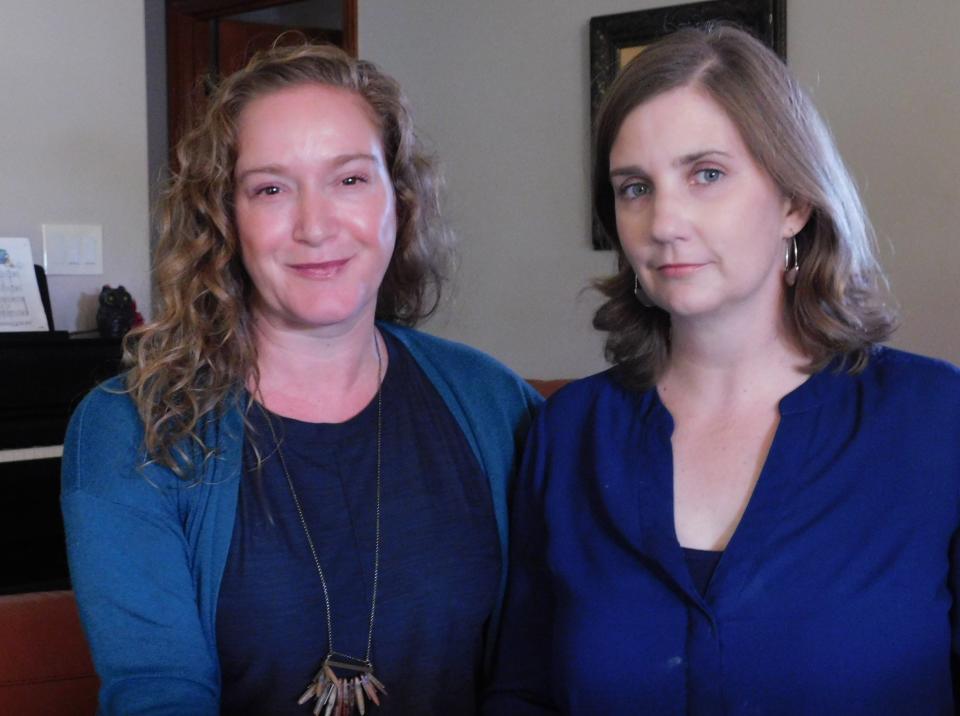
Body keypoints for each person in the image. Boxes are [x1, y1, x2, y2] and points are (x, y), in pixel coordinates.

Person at [484, 24, 960, 715]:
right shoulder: (572, 433)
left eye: (706, 174)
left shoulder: (934, 419)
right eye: (635, 188)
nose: (665, 221)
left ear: (794, 202)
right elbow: (522, 690)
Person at [62, 43, 541, 715]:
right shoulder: (130, 429)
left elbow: (537, 668)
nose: (315, 227)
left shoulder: (496, 405)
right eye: (270, 188)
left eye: (349, 180)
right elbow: (157, 694)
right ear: (225, 219)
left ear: (397, 201)